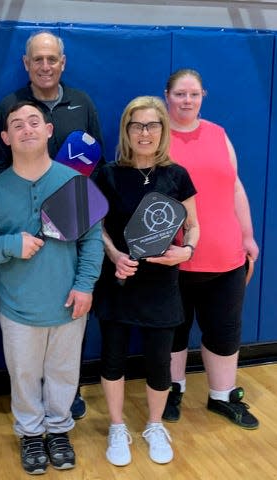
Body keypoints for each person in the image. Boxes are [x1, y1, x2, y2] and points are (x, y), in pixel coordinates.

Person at [0, 101, 103, 474]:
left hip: (68, 303)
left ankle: (59, 430)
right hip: (17, 308)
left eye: (34, 122)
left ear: (48, 130)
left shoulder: (74, 184)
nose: (26, 129)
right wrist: (13, 245)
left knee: (64, 373)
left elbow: (92, 242)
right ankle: (30, 434)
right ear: (6, 137)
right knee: (24, 375)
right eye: (17, 124)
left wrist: (84, 286)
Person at [0, 30, 105, 417]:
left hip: (71, 246)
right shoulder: (9, 104)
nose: (44, 65)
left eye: (51, 59)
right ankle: (32, 426)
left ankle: (62, 412)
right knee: (24, 362)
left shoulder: (82, 103)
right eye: (37, 59)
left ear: (62, 62)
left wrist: (78, 209)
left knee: (64, 358)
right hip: (22, 282)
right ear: (26, 64)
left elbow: (94, 166)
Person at [93, 96, 199, 466]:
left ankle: (155, 424)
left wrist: (187, 252)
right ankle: (117, 426)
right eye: (136, 125)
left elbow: (194, 226)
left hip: (161, 285)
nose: (144, 132)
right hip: (119, 280)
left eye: (152, 125)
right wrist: (114, 255)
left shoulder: (177, 175)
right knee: (113, 358)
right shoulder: (107, 174)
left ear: (162, 130)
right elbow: (98, 228)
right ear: (126, 130)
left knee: (159, 361)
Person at [162, 69, 260, 429]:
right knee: (173, 330)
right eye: (179, 94)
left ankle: (222, 395)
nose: (186, 101)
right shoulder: (155, 136)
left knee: (225, 330)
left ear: (203, 96)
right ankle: (171, 390)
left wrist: (247, 236)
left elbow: (234, 187)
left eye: (193, 94)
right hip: (175, 258)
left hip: (226, 255)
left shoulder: (219, 134)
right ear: (167, 96)